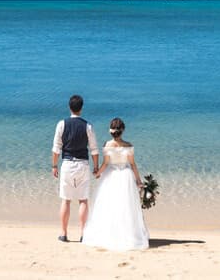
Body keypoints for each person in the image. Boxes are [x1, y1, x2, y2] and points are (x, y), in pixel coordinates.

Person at [81, 117, 150, 251]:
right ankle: (127, 235)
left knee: (109, 206)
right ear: (122, 131)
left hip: (110, 176)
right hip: (125, 176)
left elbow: (106, 163)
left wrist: (97, 173)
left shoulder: (107, 145)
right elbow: (133, 164)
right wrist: (139, 181)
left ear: (111, 131)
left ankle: (110, 234)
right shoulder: (128, 146)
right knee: (126, 206)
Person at [50, 94, 100, 243]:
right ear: (81, 108)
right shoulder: (88, 126)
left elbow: (56, 149)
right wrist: (96, 167)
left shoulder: (61, 124)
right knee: (83, 200)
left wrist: (54, 165)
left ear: (69, 107)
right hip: (83, 164)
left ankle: (64, 233)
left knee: (66, 200)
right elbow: (94, 150)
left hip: (67, 164)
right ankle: (83, 234)